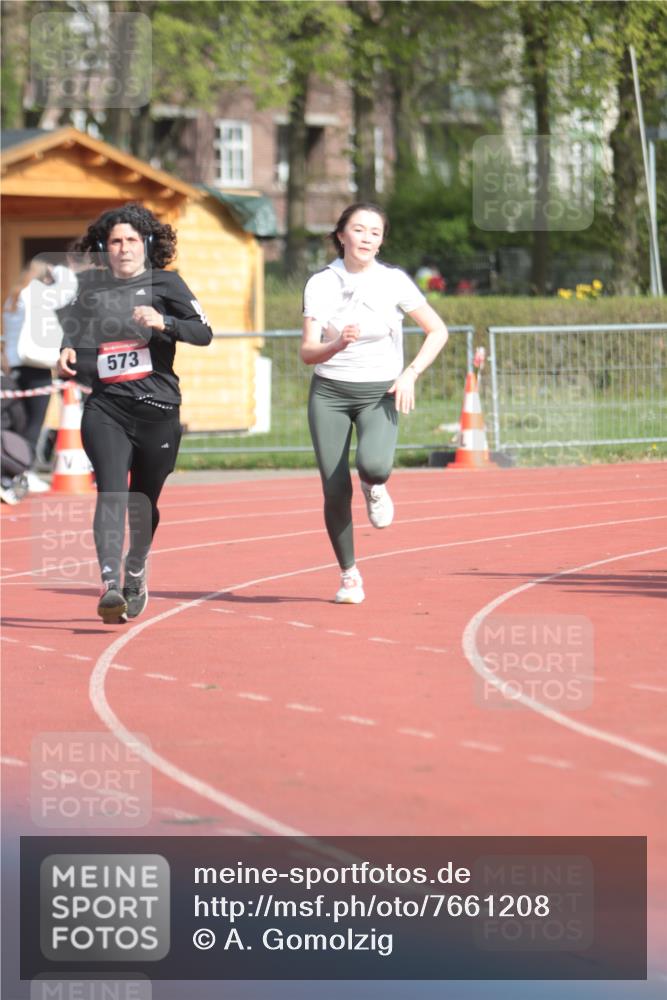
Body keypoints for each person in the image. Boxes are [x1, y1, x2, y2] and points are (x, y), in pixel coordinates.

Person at [56, 202, 212, 624]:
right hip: (107, 408)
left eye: (129, 240)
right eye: (114, 242)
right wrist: (67, 349)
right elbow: (73, 326)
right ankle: (110, 585)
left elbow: (204, 332)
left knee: (143, 501)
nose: (122, 248)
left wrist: (164, 323)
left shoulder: (168, 283)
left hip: (158, 409)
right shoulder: (91, 287)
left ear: (145, 243)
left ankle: (136, 566)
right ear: (104, 248)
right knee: (110, 493)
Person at [301, 202, 449, 604]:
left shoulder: (395, 281)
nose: (366, 238)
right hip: (329, 393)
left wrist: (410, 373)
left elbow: (437, 330)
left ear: (381, 241)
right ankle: (349, 575)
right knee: (333, 490)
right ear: (341, 235)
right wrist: (336, 344)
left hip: (379, 391)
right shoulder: (321, 283)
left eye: (374, 232)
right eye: (358, 230)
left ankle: (374, 485)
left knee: (375, 465)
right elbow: (307, 352)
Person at [2, 257, 77, 492]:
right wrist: (62, 271)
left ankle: (11, 468)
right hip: (36, 366)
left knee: (18, 422)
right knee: (34, 423)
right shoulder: (36, 294)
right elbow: (67, 292)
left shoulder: (13, 298)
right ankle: (25, 471)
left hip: (14, 367)